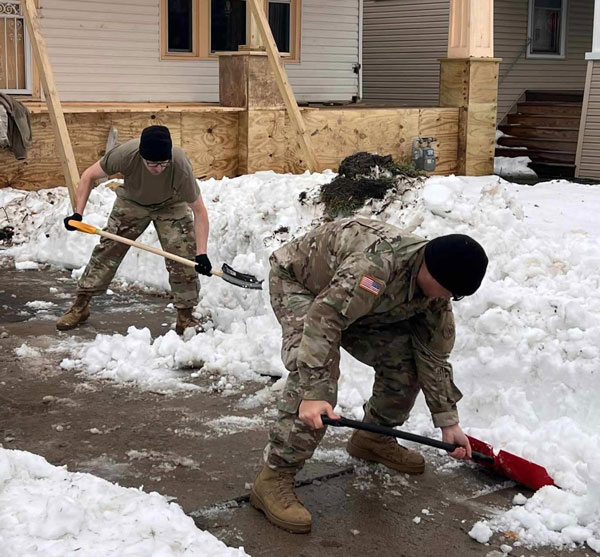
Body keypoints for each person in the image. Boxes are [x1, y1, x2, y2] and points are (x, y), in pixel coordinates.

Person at [250, 217, 488, 533]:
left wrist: (448, 419)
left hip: (359, 305)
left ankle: (373, 437)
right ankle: (274, 477)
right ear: (428, 268)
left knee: (405, 363)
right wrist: (315, 394)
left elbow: (433, 355)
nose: (445, 299)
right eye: (445, 290)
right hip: (301, 284)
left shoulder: (435, 294)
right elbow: (324, 320)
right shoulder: (375, 267)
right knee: (315, 372)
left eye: (453, 295)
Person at [56, 125, 211, 334]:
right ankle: (80, 306)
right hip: (132, 202)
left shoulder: (179, 165)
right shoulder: (126, 154)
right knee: (108, 249)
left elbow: (199, 212)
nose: (158, 169)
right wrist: (78, 214)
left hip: (171, 204)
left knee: (182, 256)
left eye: (162, 164)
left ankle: (185, 317)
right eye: (152, 164)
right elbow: (88, 176)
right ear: (141, 156)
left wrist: (201, 254)